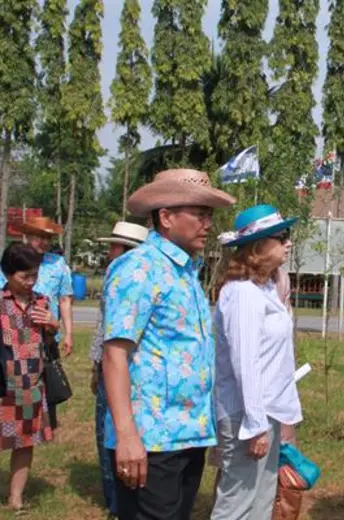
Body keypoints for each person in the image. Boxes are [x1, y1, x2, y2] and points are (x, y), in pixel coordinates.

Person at [101, 169, 235, 519]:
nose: (208, 224)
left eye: (210, 215)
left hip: (189, 432)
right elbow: (115, 353)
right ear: (166, 216)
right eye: (199, 214)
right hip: (150, 439)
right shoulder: (139, 269)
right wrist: (127, 434)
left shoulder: (185, 271)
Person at [211, 204, 303, 520]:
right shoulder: (242, 294)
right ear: (257, 247)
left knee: (262, 500)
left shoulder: (264, 289)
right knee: (236, 503)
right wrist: (254, 426)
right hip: (247, 416)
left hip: (268, 412)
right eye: (281, 237)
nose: (288, 243)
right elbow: (245, 364)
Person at [89, 222, 149, 519]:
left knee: (111, 433)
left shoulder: (131, 281)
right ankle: (114, 497)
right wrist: (94, 366)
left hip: (124, 372)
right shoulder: (115, 277)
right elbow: (102, 330)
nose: (109, 250)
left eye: (114, 245)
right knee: (104, 434)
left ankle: (120, 500)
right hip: (106, 367)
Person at [0, 243, 59, 513]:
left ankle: (16, 497)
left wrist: (52, 326)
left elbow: (49, 345)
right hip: (4, 384)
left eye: (34, 275)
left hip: (31, 385)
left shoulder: (42, 302)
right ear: (8, 274)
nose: (30, 282)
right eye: (25, 276)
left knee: (24, 442)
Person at [0, 216, 74, 431]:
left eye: (46, 238)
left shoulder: (57, 264)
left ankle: (44, 423)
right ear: (27, 236)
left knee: (47, 377)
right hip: (12, 333)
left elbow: (65, 299)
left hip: (44, 331)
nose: (42, 242)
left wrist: (67, 332)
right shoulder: (14, 259)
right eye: (38, 237)